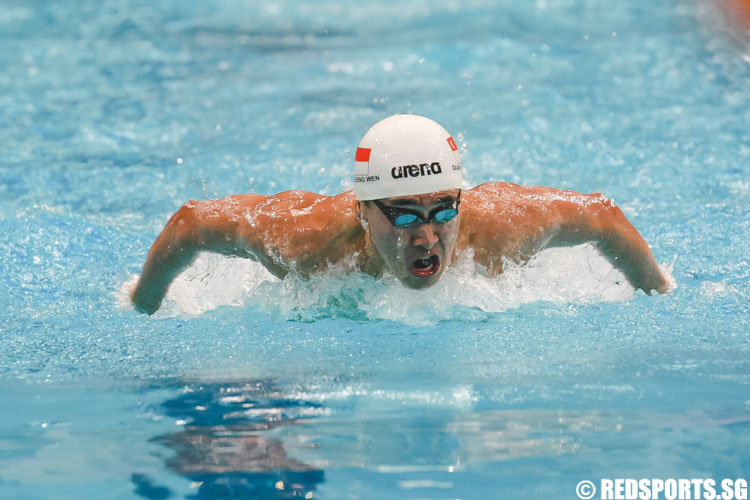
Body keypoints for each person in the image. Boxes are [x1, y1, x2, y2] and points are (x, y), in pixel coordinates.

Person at [131, 114, 669, 315]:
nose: (428, 237)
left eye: (442, 211)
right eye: (405, 216)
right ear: (364, 212)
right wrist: (142, 304)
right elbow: (191, 223)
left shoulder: (501, 230)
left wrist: (660, 295)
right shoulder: (309, 242)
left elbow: (603, 217)